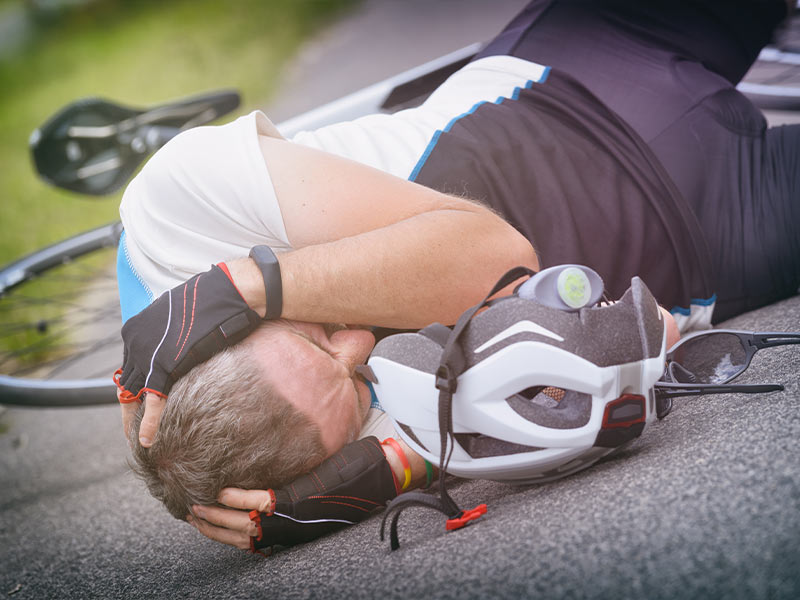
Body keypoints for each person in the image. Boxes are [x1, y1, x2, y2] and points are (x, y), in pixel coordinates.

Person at [117, 0, 797, 550]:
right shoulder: (315, 452)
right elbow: (609, 368)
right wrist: (379, 473)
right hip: (706, 239)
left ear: (211, 332)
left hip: (582, 66)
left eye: (314, 338)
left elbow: (492, 251)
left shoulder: (171, 214)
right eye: (357, 387)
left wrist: (250, 284)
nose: (358, 346)